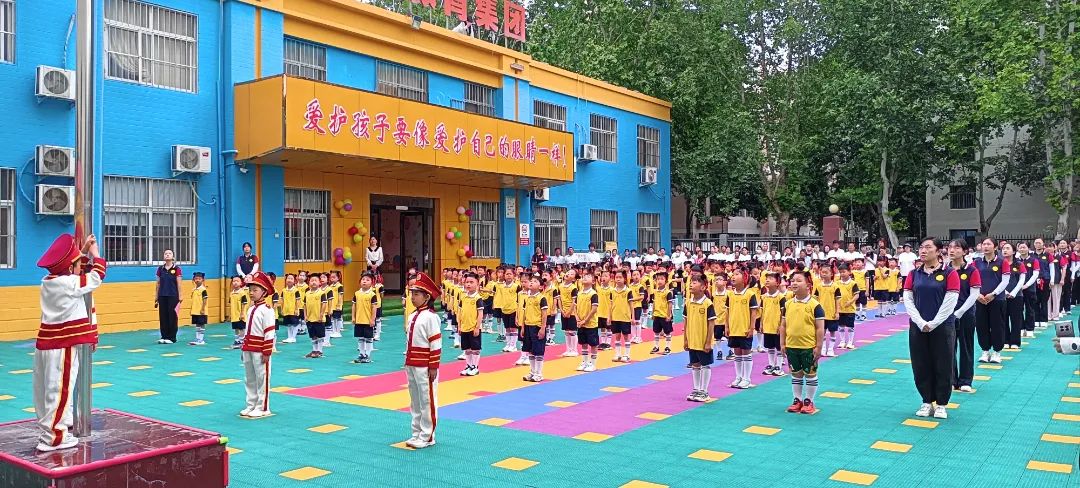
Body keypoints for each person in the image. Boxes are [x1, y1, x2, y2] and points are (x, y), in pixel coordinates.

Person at [33, 233, 106, 451]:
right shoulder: (68, 284)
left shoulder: (49, 281)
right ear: (70, 267)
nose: (80, 266)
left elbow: (74, 272)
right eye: (77, 263)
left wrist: (81, 252)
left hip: (47, 344)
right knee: (60, 389)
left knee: (46, 390)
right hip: (62, 345)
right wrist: (95, 254)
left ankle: (55, 426)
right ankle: (54, 437)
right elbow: (95, 277)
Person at [902, 238, 960, 419]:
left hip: (942, 326)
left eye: (928, 247)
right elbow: (908, 299)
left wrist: (934, 322)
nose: (923, 251)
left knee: (943, 363)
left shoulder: (949, 273)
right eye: (921, 247)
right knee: (920, 364)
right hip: (918, 327)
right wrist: (920, 322)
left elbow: (950, 301)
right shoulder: (914, 274)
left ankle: (941, 404)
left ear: (939, 251)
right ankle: (926, 401)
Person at [403, 272, 443, 449]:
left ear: (427, 297)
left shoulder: (431, 317)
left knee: (427, 400)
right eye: (412, 293)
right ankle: (416, 432)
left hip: (425, 365)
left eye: (417, 294)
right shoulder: (412, 315)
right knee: (415, 401)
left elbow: (436, 344)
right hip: (412, 363)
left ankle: (427, 435)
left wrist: (433, 366)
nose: (413, 297)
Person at [780, 270, 825, 414]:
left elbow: (820, 328)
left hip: (808, 347)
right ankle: (797, 400)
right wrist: (782, 343)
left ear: (808, 285)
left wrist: (819, 347)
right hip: (792, 346)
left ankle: (809, 401)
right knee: (796, 374)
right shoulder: (787, 304)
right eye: (793, 280)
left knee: (810, 374)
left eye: (799, 280)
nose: (794, 283)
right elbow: (783, 325)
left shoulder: (815, 305)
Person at [238, 272, 276, 418]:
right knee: (249, 379)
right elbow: (247, 331)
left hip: (260, 349)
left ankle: (262, 407)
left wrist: (267, 351)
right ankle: (251, 404)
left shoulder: (267, 310)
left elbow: (269, 332)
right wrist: (243, 348)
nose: (251, 293)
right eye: (250, 290)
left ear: (264, 292)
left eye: (255, 290)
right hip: (249, 348)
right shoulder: (250, 309)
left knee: (262, 378)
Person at [947, 239, 981, 393]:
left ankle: (966, 380)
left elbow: (974, 294)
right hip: (947, 315)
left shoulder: (971, 270)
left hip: (966, 314)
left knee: (966, 346)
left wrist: (959, 312)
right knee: (948, 348)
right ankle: (951, 379)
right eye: (950, 247)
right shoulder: (945, 269)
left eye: (957, 248)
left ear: (965, 251)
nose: (952, 250)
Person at [973, 238, 1011, 364]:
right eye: (984, 244)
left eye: (988, 244)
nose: (985, 246)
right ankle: (985, 351)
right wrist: (977, 295)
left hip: (997, 299)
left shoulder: (1002, 262)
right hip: (980, 299)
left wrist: (994, 294)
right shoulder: (976, 262)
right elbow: (972, 280)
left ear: (995, 247)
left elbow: (1005, 281)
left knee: (997, 325)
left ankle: (997, 352)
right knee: (981, 325)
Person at [684, 274, 718, 402]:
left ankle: (704, 391)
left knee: (705, 365)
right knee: (695, 365)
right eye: (691, 282)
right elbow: (685, 322)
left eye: (695, 283)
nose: (691, 285)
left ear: (703, 287)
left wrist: (708, 342)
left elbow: (711, 323)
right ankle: (696, 389)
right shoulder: (688, 302)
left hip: (703, 341)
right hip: (692, 340)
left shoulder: (707, 303)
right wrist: (685, 339)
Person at [726, 268, 760, 389]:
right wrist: (727, 326)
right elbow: (727, 311)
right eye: (733, 274)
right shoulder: (730, 294)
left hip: (745, 329)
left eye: (737, 274)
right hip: (734, 328)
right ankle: (738, 377)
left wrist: (751, 328)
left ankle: (746, 378)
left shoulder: (750, 294)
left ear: (744, 278)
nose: (733, 276)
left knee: (746, 353)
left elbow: (753, 312)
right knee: (737, 354)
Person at [518, 273, 549, 381]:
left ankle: (538, 374)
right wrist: (523, 327)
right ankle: (532, 372)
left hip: (537, 327)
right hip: (528, 326)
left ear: (540, 287)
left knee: (538, 351)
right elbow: (524, 313)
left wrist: (542, 328)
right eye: (531, 281)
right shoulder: (527, 298)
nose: (531, 282)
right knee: (530, 350)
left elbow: (544, 314)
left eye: (535, 281)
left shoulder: (542, 298)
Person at [1001, 243, 1028, 350]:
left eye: (1008, 248)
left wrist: (1014, 292)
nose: (1005, 250)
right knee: (1003, 319)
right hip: (1002, 295)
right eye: (1003, 248)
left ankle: (1015, 342)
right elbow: (998, 280)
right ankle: (1005, 341)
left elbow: (1022, 279)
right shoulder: (999, 264)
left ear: (1013, 251)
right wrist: (1005, 292)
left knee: (1016, 319)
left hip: (1017, 296)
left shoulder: (1019, 264)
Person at [154, 249, 183, 344]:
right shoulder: (160, 269)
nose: (167, 255)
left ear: (173, 256)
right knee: (163, 316)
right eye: (166, 253)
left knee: (172, 316)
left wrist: (180, 295)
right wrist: (156, 296)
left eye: (169, 253)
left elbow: (179, 283)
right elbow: (158, 283)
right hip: (162, 295)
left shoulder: (177, 269)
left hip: (173, 295)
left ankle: (172, 337)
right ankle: (164, 336)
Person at [457, 272, 484, 376]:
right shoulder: (463, 297)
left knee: (475, 348)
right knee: (467, 348)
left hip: (473, 328)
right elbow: (460, 312)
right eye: (467, 282)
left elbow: (480, 314)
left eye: (471, 282)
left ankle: (475, 367)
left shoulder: (478, 298)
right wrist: (459, 325)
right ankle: (468, 366)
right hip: (464, 327)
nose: (468, 284)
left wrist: (477, 327)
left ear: (477, 284)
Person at [760, 273, 786, 376]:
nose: (767, 280)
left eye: (771, 279)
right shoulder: (764, 297)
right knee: (770, 347)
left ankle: (779, 366)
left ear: (777, 283)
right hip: (767, 326)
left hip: (777, 327)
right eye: (767, 279)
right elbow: (762, 312)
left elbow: (783, 313)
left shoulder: (781, 297)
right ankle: (771, 365)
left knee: (779, 347)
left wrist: (781, 326)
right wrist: (761, 324)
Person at [575, 272, 601, 372]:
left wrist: (585, 320)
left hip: (591, 323)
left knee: (593, 344)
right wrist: (577, 318)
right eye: (584, 276)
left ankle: (592, 363)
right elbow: (575, 307)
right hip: (581, 323)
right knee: (583, 343)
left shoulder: (593, 294)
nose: (585, 277)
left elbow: (594, 309)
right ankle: (584, 362)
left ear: (593, 281)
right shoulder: (579, 293)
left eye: (588, 277)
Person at [814, 266, 842, 357]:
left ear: (831, 274)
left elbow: (837, 300)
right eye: (822, 272)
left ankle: (830, 350)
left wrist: (837, 312)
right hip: (821, 315)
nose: (824, 274)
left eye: (826, 272)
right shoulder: (819, 286)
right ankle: (823, 349)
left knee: (832, 332)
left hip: (832, 314)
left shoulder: (835, 286)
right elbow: (815, 300)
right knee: (822, 332)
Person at [351, 272, 379, 364]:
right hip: (359, 320)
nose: (364, 281)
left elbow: (374, 308)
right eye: (363, 279)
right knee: (360, 338)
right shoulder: (357, 294)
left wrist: (372, 319)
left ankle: (368, 355)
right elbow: (354, 306)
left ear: (371, 283)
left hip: (368, 321)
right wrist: (353, 317)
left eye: (367, 280)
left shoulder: (372, 294)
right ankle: (361, 354)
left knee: (368, 338)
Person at [302, 274, 328, 358]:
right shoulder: (307, 294)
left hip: (319, 319)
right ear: (309, 282)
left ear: (319, 283)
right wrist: (305, 316)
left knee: (320, 335)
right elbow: (304, 305)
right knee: (313, 336)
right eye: (312, 280)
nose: (313, 282)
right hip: (310, 319)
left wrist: (321, 315)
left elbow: (324, 304)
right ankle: (314, 350)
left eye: (315, 280)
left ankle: (319, 351)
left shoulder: (321, 293)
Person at [836, 264, 860, 349]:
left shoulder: (853, 283)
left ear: (849, 272)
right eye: (840, 272)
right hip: (840, 309)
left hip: (850, 309)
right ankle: (842, 341)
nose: (842, 274)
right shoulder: (837, 283)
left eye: (844, 272)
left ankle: (850, 342)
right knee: (841, 326)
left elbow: (856, 295)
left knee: (850, 327)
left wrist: (850, 302)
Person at [649, 271, 674, 355]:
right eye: (658, 279)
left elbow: (670, 304)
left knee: (667, 332)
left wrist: (668, 315)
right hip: (657, 315)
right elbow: (654, 303)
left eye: (662, 279)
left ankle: (668, 347)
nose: (659, 281)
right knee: (656, 331)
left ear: (666, 281)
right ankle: (656, 346)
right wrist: (653, 313)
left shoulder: (668, 292)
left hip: (664, 315)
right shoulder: (655, 292)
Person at [228, 276, 250, 349]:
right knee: (236, 328)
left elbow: (244, 304)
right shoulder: (231, 293)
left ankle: (242, 341)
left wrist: (242, 313)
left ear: (241, 283)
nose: (235, 282)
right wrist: (230, 314)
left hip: (240, 315)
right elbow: (231, 304)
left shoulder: (242, 293)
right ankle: (237, 340)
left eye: (237, 281)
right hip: (234, 315)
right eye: (234, 281)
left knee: (241, 328)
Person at [188, 272, 209, 345]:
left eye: (199, 279)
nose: (197, 280)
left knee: (201, 324)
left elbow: (205, 300)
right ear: (193, 280)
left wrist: (202, 309)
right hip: (195, 311)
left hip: (201, 311)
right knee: (197, 324)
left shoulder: (203, 290)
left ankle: (201, 339)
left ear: (202, 280)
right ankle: (197, 338)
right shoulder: (193, 290)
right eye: (196, 279)